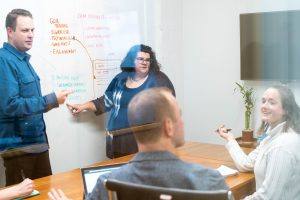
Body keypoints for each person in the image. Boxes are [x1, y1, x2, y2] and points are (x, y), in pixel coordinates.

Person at [48, 87, 228, 200]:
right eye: (178, 116)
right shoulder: (210, 181)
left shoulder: (107, 185)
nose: (183, 121)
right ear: (168, 126)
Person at [0, 9, 72, 186]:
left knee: (46, 192)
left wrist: (52, 102)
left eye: (32, 30)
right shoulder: (4, 60)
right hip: (20, 149)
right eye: (25, 30)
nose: (31, 35)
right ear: (10, 31)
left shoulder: (22, 60)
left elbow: (29, 104)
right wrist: (51, 100)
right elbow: (10, 105)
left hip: (37, 145)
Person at [67, 44, 175, 158]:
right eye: (140, 59)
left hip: (145, 143)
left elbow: (169, 107)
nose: (144, 62)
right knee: (118, 173)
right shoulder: (121, 78)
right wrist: (84, 106)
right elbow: (107, 100)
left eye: (148, 60)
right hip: (117, 140)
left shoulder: (158, 80)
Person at [217, 85, 300, 199]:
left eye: (272, 102)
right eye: (263, 101)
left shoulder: (282, 146)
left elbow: (268, 197)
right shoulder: (271, 137)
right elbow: (247, 164)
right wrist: (230, 139)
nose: (264, 106)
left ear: (286, 109)